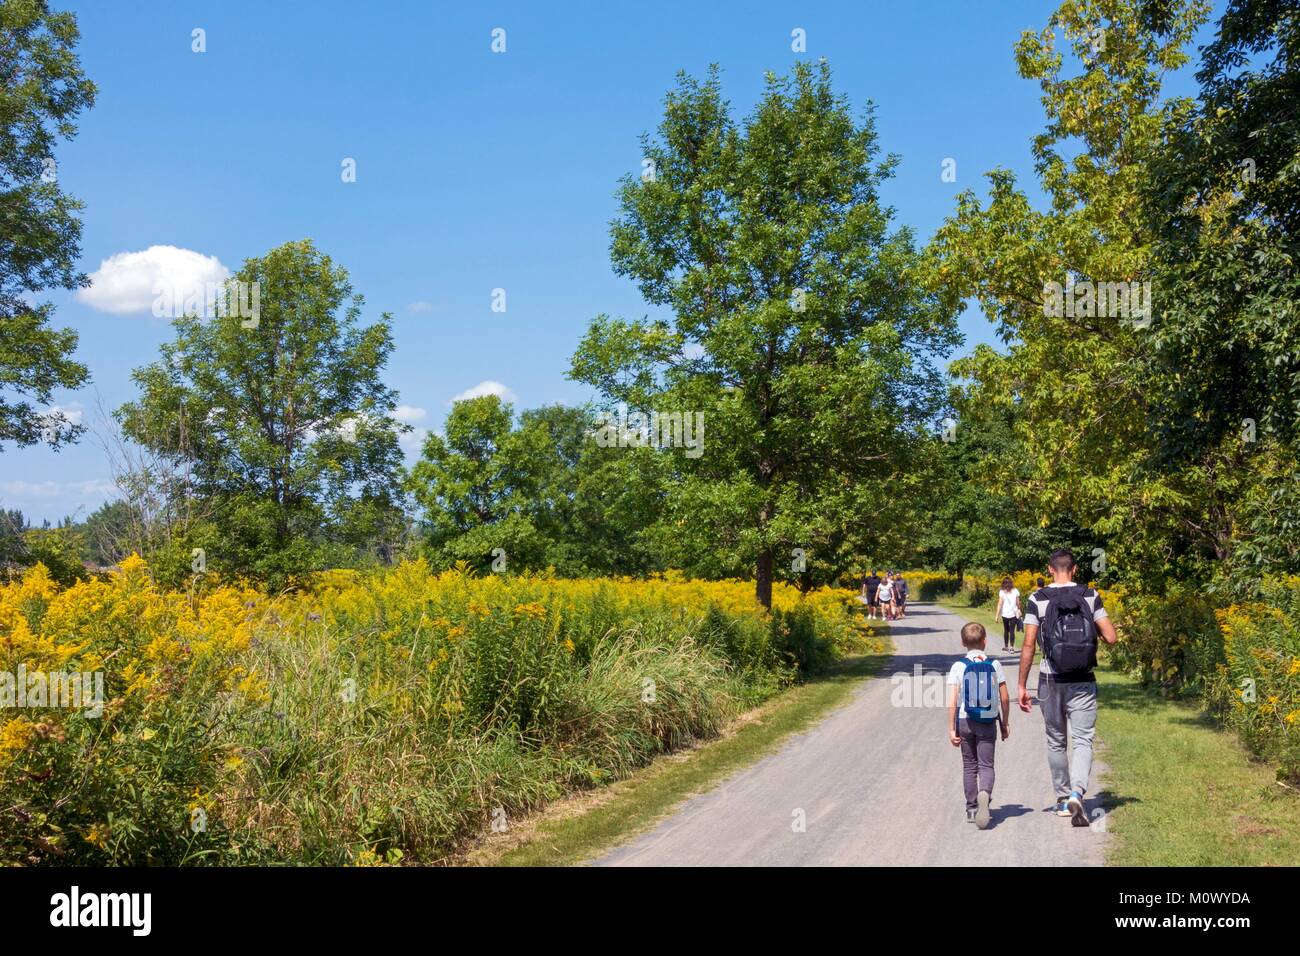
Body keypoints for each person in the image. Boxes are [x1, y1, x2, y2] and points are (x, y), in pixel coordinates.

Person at [1017, 549, 1118, 826]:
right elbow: (1111, 637)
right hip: (1083, 679)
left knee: (1056, 740)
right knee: (1083, 739)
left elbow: (1028, 645)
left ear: (1050, 569)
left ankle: (1062, 799)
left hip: (1050, 680)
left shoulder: (1037, 598)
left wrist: (1022, 685)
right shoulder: (1090, 595)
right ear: (1074, 569)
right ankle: (1077, 792)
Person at [947, 621, 1010, 829]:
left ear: (963, 642)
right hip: (987, 720)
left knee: (969, 766)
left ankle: (972, 808)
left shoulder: (958, 666)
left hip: (965, 720)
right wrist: (1005, 722)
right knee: (986, 765)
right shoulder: (994, 665)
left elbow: (953, 701)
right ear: (985, 641)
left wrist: (951, 728)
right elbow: (1004, 697)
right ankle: (985, 792)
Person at [996, 576, 1022, 653]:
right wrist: (1020, 611)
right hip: (1013, 613)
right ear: (1011, 583)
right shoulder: (1016, 591)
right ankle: (1012, 648)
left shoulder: (1002, 592)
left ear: (1003, 583)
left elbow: (1000, 604)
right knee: (1012, 630)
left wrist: (997, 615)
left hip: (1005, 614)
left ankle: (1006, 647)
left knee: (1006, 630)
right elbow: (1018, 603)